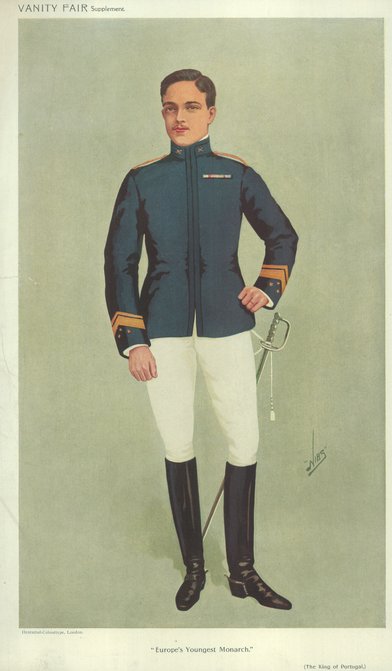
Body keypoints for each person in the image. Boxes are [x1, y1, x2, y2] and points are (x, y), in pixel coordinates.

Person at [104, 68, 298, 612]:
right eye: (170, 107)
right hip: (161, 333)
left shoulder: (235, 173)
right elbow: (119, 262)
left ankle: (243, 572)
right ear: (162, 112)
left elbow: (282, 235)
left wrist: (266, 288)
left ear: (211, 112)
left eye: (191, 106)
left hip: (227, 326)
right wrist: (134, 341)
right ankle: (194, 568)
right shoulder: (141, 179)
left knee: (244, 443)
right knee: (177, 443)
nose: (179, 117)